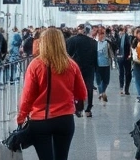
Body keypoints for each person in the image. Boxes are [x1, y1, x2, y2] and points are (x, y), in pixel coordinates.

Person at [17, 28, 87, 160]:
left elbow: (27, 96)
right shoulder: (71, 65)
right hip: (65, 119)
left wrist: (21, 117)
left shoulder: (36, 65)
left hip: (41, 120)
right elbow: (82, 93)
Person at [65, 24, 98, 117]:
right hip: (89, 67)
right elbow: (95, 56)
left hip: (75, 67)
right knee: (89, 87)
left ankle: (78, 108)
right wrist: (95, 68)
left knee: (76, 87)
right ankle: (88, 109)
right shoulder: (92, 42)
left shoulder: (70, 41)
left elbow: (67, 55)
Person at [94, 27, 115, 103]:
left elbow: (111, 53)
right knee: (99, 80)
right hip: (97, 65)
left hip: (106, 64)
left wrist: (113, 63)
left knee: (106, 81)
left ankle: (102, 92)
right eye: (100, 34)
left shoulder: (107, 43)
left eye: (103, 34)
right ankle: (102, 93)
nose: (101, 35)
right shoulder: (94, 43)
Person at [117, 25, 134, 96]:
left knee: (128, 73)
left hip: (126, 57)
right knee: (121, 73)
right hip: (120, 57)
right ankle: (121, 87)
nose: (120, 32)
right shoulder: (118, 37)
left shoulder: (128, 37)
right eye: (120, 30)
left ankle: (126, 88)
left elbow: (130, 46)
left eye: (122, 30)